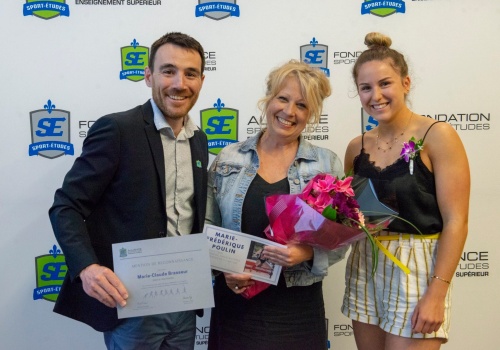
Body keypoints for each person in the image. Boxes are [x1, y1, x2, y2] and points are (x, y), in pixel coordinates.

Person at [49, 32, 208, 349]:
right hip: (131, 305)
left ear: (201, 80)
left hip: (185, 302)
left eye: (190, 73)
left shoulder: (199, 140)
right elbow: (66, 206)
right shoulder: (117, 130)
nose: (180, 83)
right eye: (168, 71)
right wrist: (87, 268)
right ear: (149, 76)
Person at [341, 32, 470, 350]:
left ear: (406, 83)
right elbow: (350, 219)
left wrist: (437, 292)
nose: (376, 95)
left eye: (385, 83)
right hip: (365, 265)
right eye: (365, 87)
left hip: (418, 271)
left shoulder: (437, 136)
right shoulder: (356, 147)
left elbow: (456, 220)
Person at [206, 59, 347, 350]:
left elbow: (343, 237)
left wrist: (306, 252)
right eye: (282, 98)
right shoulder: (228, 159)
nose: (289, 111)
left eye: (302, 105)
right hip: (237, 302)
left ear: (312, 114)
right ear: (268, 99)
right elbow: (207, 226)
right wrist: (224, 269)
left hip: (297, 307)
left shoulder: (326, 163)